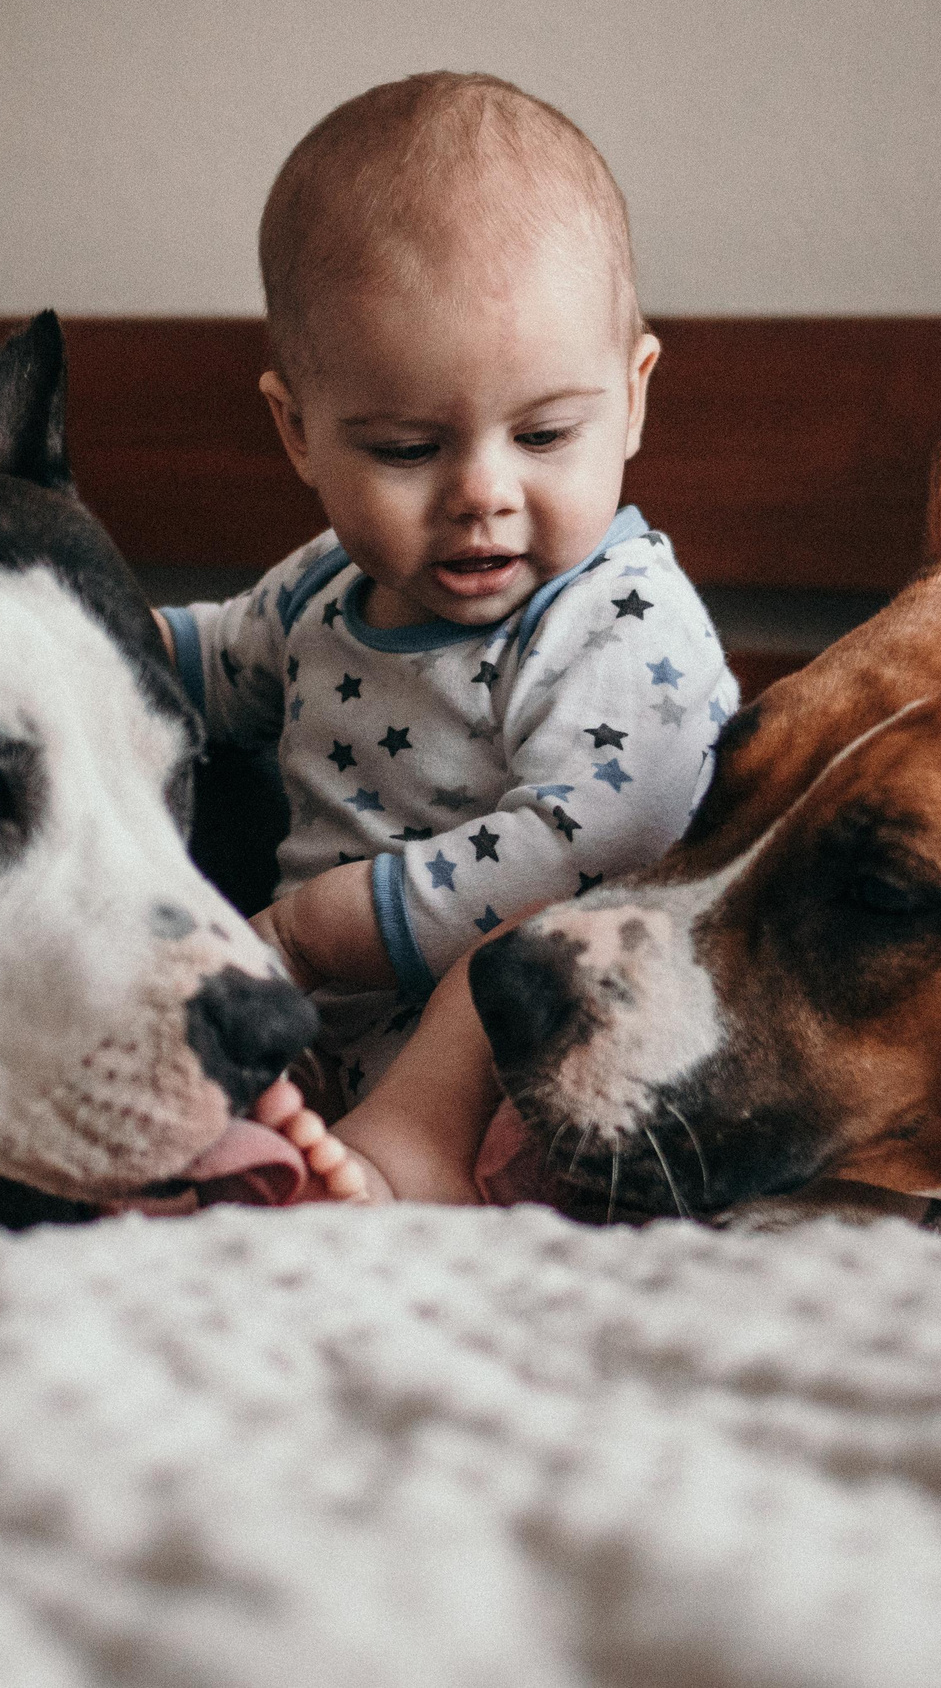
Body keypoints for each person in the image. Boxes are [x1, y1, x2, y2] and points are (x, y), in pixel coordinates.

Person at [158, 71, 734, 1203]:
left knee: (523, 945)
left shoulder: (615, 621)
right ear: (299, 432)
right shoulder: (322, 588)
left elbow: (598, 839)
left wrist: (320, 933)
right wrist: (73, 634)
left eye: (544, 435)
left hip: (556, 1048)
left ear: (633, 397)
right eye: (406, 450)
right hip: (337, 1023)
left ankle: (405, 1162)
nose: (482, 493)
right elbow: (208, 662)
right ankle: (264, 1138)